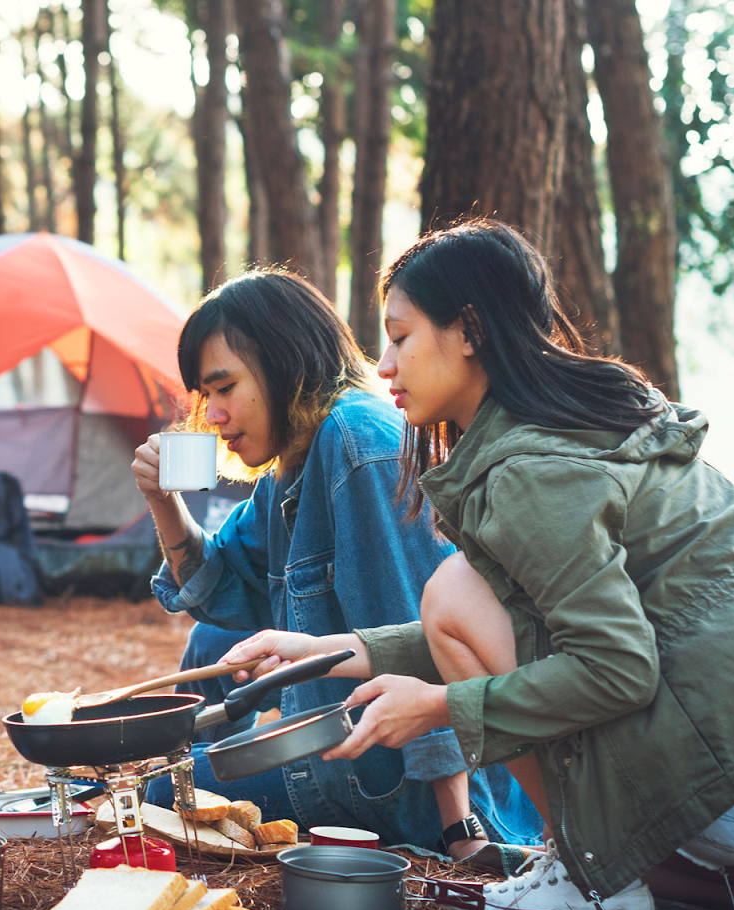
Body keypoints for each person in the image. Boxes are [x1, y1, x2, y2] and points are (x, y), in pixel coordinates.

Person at [221, 220, 734, 910]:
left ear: (468, 330)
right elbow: (507, 625)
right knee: (459, 593)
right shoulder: (570, 427)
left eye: (401, 336)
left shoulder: (534, 471)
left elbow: (619, 668)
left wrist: (437, 708)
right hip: (723, 754)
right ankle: (616, 871)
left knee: (454, 590)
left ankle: (598, 880)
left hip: (728, 785)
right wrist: (323, 654)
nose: (383, 365)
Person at [131, 270, 540, 863]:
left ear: (282, 362)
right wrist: (163, 501)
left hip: (397, 785)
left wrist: (460, 832)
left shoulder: (355, 444)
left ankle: (194, 781)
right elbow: (217, 588)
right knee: (210, 641)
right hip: (345, 753)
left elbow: (426, 638)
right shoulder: (293, 464)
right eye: (204, 396)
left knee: (152, 795)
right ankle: (199, 771)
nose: (213, 415)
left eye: (225, 388)